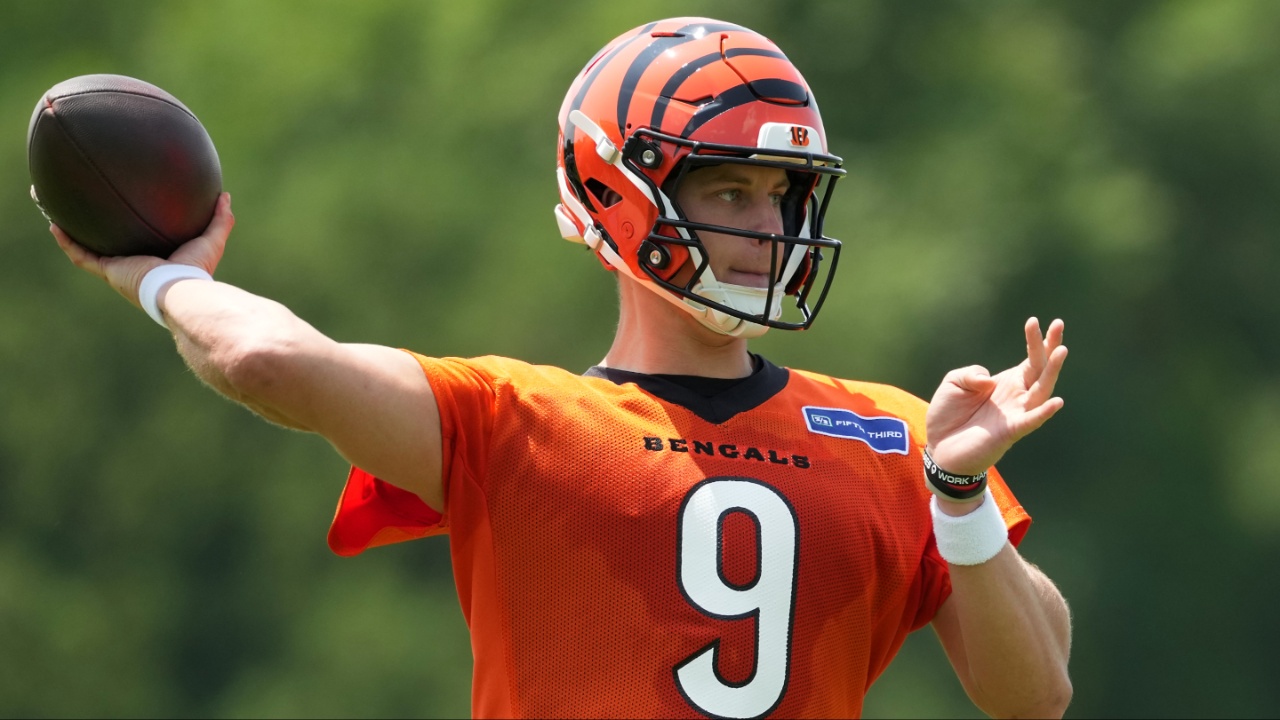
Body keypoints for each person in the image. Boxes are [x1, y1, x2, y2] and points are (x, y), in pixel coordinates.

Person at [49, 17, 1072, 720]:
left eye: (782, 194)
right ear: (617, 193)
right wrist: (164, 276)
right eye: (729, 192)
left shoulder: (898, 435)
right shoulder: (515, 419)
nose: (768, 228)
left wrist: (958, 496)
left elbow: (1034, 694)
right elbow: (268, 357)